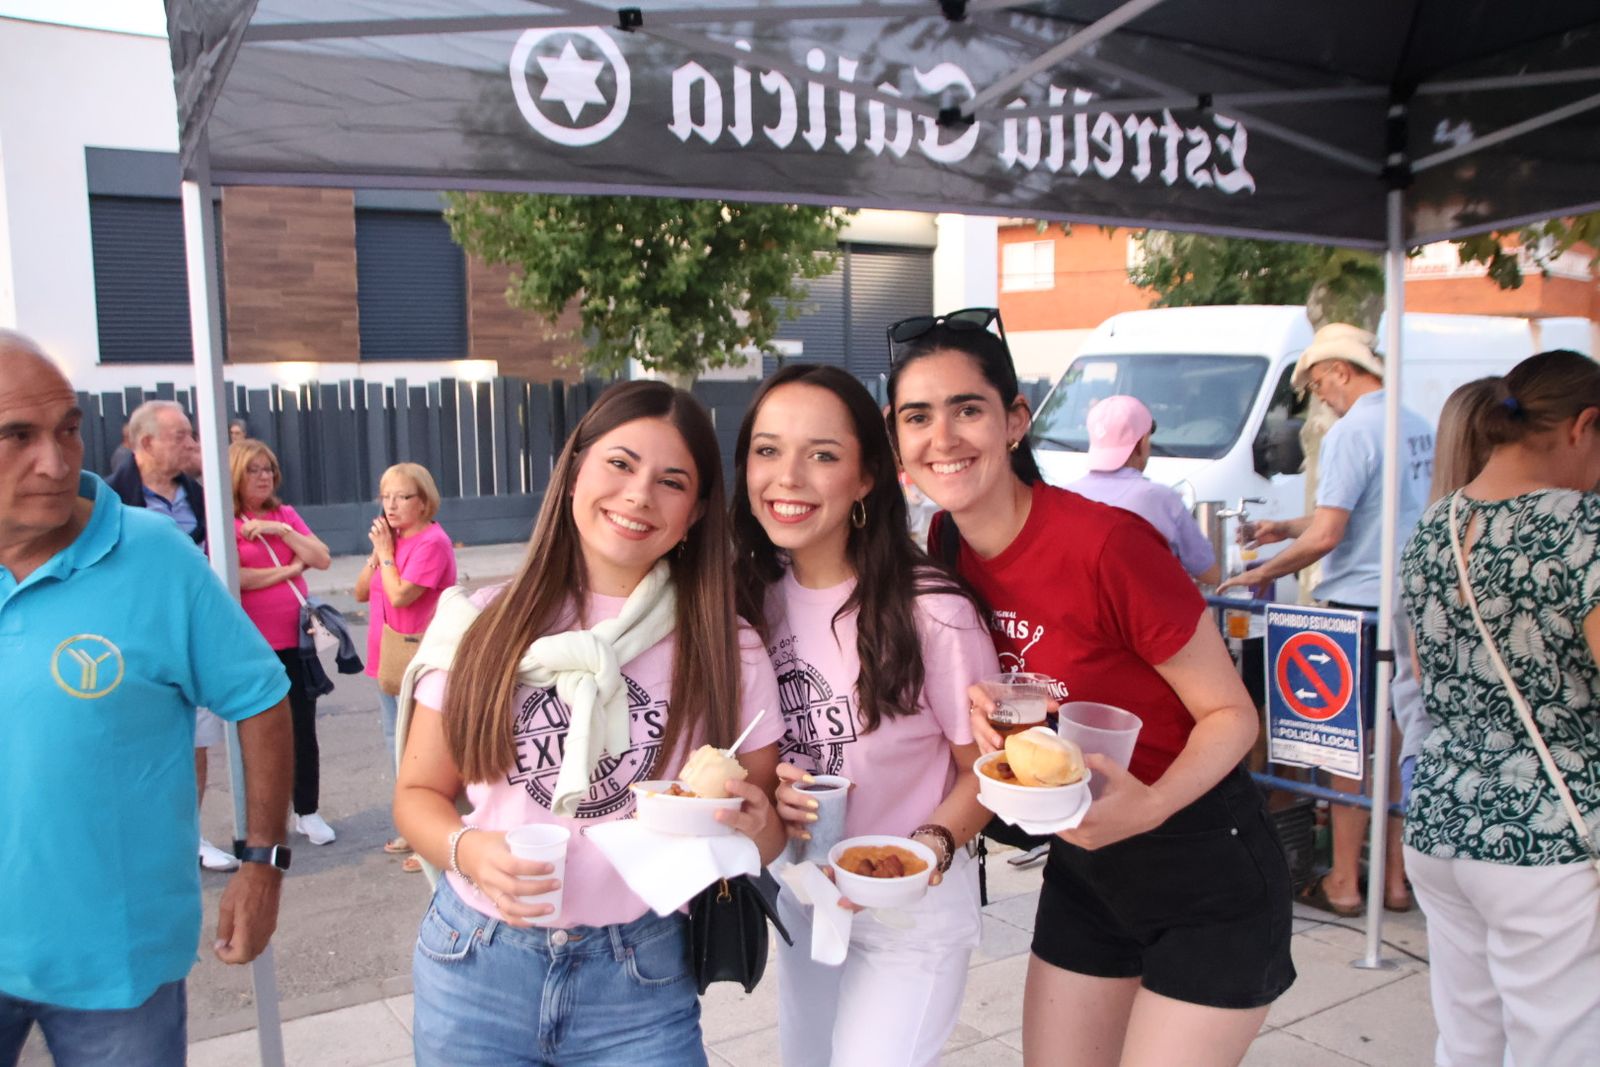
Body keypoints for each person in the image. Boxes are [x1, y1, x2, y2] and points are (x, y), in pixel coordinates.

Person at [886, 308, 1293, 1067]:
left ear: (1013, 421)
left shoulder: (1108, 545)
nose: (942, 438)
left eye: (967, 409)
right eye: (919, 416)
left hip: (1202, 856)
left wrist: (1154, 803)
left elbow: (1233, 715)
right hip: (1086, 861)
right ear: (897, 439)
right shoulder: (945, 543)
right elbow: (1045, 690)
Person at [393, 380, 787, 1067]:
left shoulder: (727, 646)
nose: (639, 495)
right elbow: (417, 794)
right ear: (575, 470)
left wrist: (754, 825)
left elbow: (769, 834)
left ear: (695, 513)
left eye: (672, 481)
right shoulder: (483, 623)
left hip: (639, 973)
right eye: (620, 464)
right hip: (475, 964)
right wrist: (470, 850)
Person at [0, 333, 293, 1065]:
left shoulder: (154, 554)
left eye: (68, 428)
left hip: (117, 967)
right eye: (17, 436)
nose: (56, 460)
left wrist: (262, 863)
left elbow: (259, 695)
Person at [730, 364, 997, 1066]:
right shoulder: (752, 600)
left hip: (912, 911)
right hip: (807, 893)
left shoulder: (934, 611)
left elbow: (989, 773)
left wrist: (921, 854)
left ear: (867, 476)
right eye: (767, 449)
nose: (787, 476)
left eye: (821, 454)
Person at [1401, 350, 1600, 1066]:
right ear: (1585, 426)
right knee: (1560, 1043)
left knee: (1469, 1040)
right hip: (1548, 832)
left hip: (1443, 817)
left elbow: (1425, 673)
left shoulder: (1432, 529)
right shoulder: (1584, 528)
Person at [1216, 322, 1434, 917]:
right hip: (1409, 602)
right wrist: (1284, 529)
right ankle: (1392, 880)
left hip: (1359, 606)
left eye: (1317, 384)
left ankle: (1342, 879)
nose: (1319, 399)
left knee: (1348, 751)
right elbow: (1365, 513)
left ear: (1339, 370)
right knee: (1390, 744)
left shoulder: (1351, 432)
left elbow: (1332, 533)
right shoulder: (1415, 423)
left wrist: (1262, 571)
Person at [106, 399, 238, 870]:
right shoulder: (110, 501)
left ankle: (190, 838)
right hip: (135, 641)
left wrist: (212, 475)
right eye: (181, 436)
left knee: (198, 743)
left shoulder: (203, 496)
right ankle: (139, 842)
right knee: (139, 746)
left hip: (192, 636)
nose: (192, 444)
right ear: (145, 444)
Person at [230, 439, 336, 845]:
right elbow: (237, 578)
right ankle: (260, 818)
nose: (264, 476)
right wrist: (292, 570)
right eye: (254, 469)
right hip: (253, 643)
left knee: (303, 729)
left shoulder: (283, 515)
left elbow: (322, 557)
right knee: (257, 732)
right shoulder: (227, 521)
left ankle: (307, 811)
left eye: (268, 469)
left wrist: (281, 530)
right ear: (237, 474)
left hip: (297, 641)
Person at [354, 462, 457, 873]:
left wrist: (385, 556)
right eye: (386, 496)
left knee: (424, 752)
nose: (392, 505)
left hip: (420, 658)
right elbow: (362, 591)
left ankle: (429, 836)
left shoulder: (432, 543)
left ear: (424, 501)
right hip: (389, 658)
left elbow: (399, 597)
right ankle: (413, 828)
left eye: (402, 497)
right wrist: (379, 554)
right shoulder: (393, 541)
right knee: (394, 743)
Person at [1067, 394, 1220, 584]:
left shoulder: (1064, 497)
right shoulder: (1161, 499)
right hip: (1144, 612)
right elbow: (1210, 574)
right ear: (1142, 443)